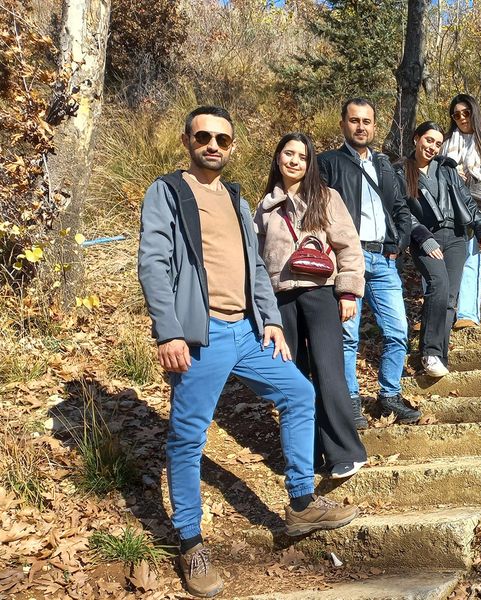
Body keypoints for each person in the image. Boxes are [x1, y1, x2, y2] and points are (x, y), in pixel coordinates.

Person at [138, 106, 357, 598]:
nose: (212, 145)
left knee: (299, 394)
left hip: (247, 332)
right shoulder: (168, 192)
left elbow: (256, 267)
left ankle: (301, 503)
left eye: (222, 139)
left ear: (232, 146)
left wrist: (271, 321)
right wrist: (168, 332)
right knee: (188, 439)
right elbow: (153, 263)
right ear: (187, 140)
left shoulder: (237, 198)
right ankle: (191, 543)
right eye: (203, 136)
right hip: (200, 336)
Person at [255, 132, 368, 480]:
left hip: (321, 292)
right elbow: (256, 260)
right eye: (288, 154)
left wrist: (348, 292)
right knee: (293, 377)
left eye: (302, 157)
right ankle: (309, 453)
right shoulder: (265, 206)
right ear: (278, 157)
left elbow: (348, 246)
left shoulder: (326, 197)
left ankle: (345, 451)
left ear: (310, 163)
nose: (294, 161)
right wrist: (260, 307)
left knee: (328, 371)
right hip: (280, 299)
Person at [317, 98, 419, 425]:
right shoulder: (327, 164)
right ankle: (349, 401)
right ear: (343, 124)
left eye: (366, 121)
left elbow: (400, 208)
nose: (361, 127)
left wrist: (399, 242)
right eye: (354, 120)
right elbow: (318, 212)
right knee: (348, 335)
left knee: (398, 331)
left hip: (384, 259)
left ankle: (389, 396)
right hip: (348, 259)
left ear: (374, 126)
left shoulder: (384, 165)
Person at [397, 122, 481, 377]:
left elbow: (466, 201)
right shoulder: (400, 171)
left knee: (450, 298)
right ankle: (429, 352)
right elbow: (401, 211)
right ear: (416, 138)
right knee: (438, 285)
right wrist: (422, 237)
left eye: (438, 144)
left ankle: (440, 355)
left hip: (456, 237)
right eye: (428, 140)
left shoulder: (446, 169)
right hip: (425, 238)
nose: (432, 147)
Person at [441, 94, 481, 330]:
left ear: (474, 113)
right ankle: (441, 313)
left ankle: (467, 312)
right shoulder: (446, 142)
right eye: (456, 114)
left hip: (477, 206)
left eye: (466, 113)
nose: (461, 118)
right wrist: (451, 172)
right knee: (445, 259)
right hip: (449, 207)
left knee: (471, 255)